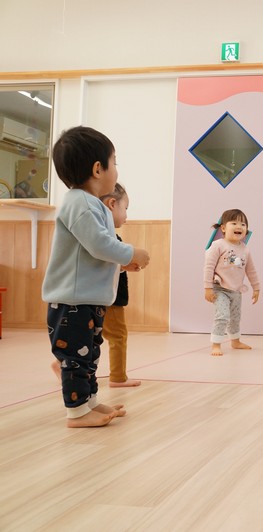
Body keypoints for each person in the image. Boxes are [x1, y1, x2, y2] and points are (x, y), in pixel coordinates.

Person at [43, 126, 150, 428]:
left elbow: (90, 255)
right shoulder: (79, 202)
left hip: (86, 300)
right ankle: (77, 411)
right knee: (76, 358)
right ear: (98, 169)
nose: (116, 169)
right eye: (115, 162)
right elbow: (100, 245)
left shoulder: (91, 204)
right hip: (72, 302)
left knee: (88, 356)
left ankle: (89, 401)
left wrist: (121, 265)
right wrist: (130, 253)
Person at [49, 183, 141, 387]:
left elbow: (102, 265)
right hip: (109, 299)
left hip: (100, 297)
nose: (127, 215)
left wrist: (123, 266)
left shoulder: (103, 237)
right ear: (112, 204)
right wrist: (128, 259)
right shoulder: (105, 238)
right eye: (125, 208)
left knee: (88, 337)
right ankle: (118, 377)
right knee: (117, 336)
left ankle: (63, 363)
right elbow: (101, 262)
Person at [204, 209, 261, 356]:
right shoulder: (218, 245)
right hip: (219, 288)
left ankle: (235, 341)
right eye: (234, 223)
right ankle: (216, 344)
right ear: (223, 228)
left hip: (236, 290)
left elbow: (251, 270)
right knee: (222, 316)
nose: (239, 227)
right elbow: (209, 267)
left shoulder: (245, 249)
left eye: (243, 224)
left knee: (235, 318)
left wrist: (256, 288)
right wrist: (208, 288)